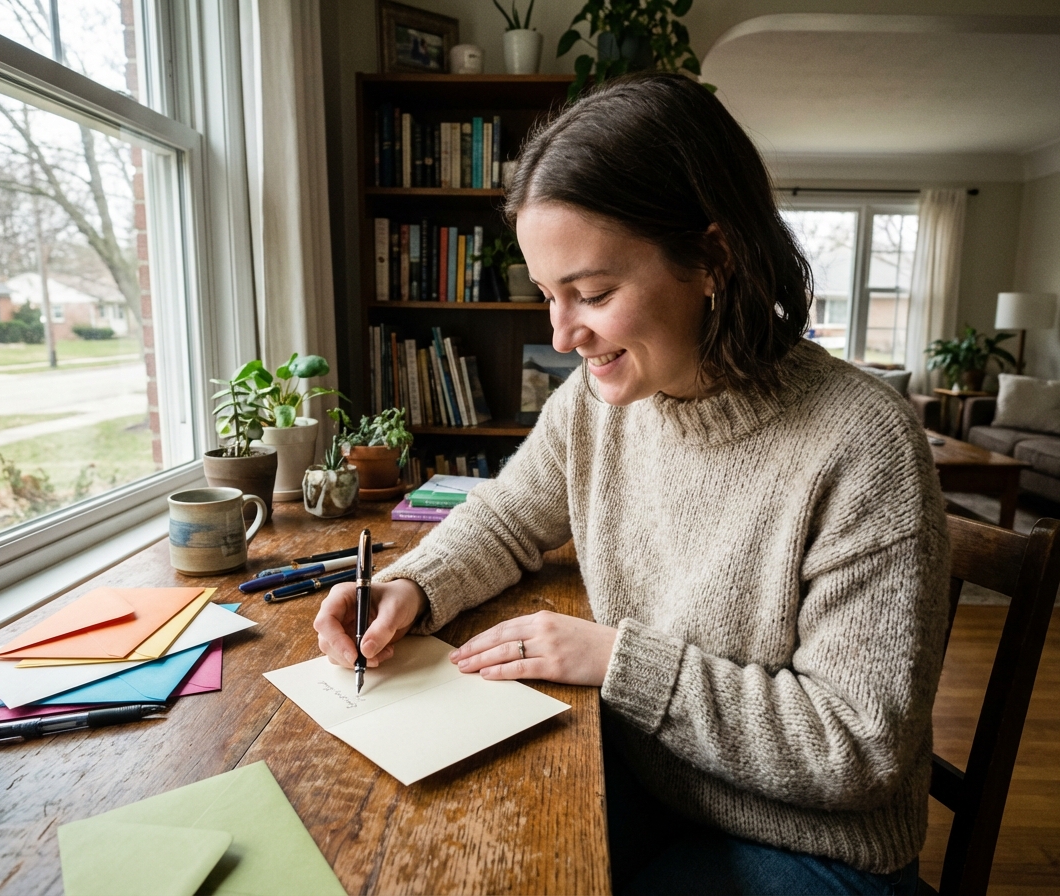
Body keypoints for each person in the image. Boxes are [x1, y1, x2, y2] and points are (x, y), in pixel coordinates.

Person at [314, 72, 948, 896]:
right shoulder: (597, 404)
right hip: (651, 788)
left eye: (593, 294)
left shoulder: (864, 444)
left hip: (813, 851)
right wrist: (410, 586)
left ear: (714, 256)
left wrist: (620, 662)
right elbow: (508, 515)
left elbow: (858, 750)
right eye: (549, 295)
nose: (562, 333)